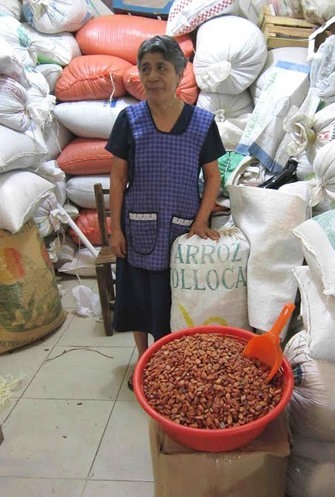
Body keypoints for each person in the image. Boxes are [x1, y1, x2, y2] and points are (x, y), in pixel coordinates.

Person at [105, 35, 225, 389]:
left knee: (175, 299)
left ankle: (171, 360)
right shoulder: (130, 119)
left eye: (161, 67)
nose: (153, 75)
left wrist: (201, 219)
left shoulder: (202, 123)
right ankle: (144, 361)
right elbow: (118, 175)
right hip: (137, 227)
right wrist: (115, 229)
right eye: (145, 68)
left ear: (180, 72)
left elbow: (213, 176)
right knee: (139, 299)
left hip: (182, 230)